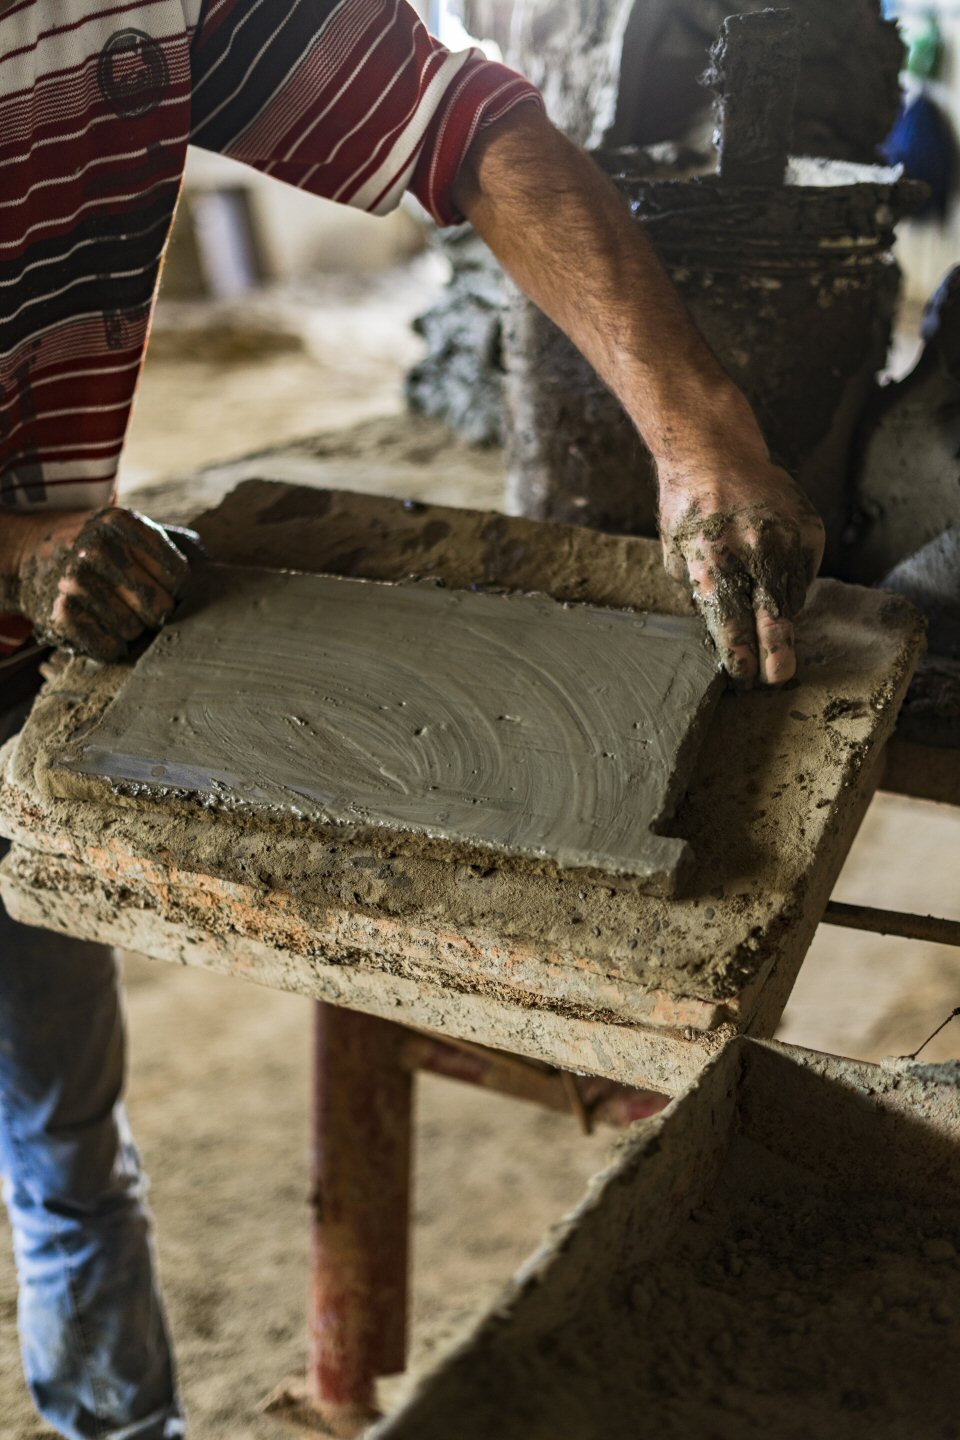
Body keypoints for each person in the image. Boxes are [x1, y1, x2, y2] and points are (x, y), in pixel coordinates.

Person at [0, 3, 825, 1437]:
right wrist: (15, 547)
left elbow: (462, 124)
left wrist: (698, 426)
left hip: (22, 646)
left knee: (64, 1140)